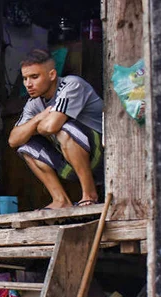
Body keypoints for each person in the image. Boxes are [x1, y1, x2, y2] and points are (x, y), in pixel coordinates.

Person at [8, 49, 104, 209]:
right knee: (25, 147)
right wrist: (39, 117)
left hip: (103, 155)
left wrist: (34, 126)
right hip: (70, 164)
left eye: (34, 77)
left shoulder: (72, 84)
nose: (28, 84)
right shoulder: (34, 103)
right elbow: (13, 140)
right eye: (25, 78)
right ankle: (61, 200)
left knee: (63, 130)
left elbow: (51, 127)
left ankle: (90, 195)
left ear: (52, 75)